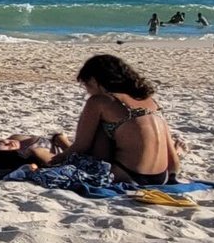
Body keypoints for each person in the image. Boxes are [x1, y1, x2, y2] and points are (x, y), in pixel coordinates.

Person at [68, 53, 180, 184]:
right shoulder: (150, 101)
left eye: (86, 85)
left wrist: (55, 160)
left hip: (128, 174)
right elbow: (172, 158)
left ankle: (60, 140)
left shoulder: (99, 101)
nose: (87, 91)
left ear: (93, 80)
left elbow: (81, 146)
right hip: (162, 176)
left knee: (101, 128)